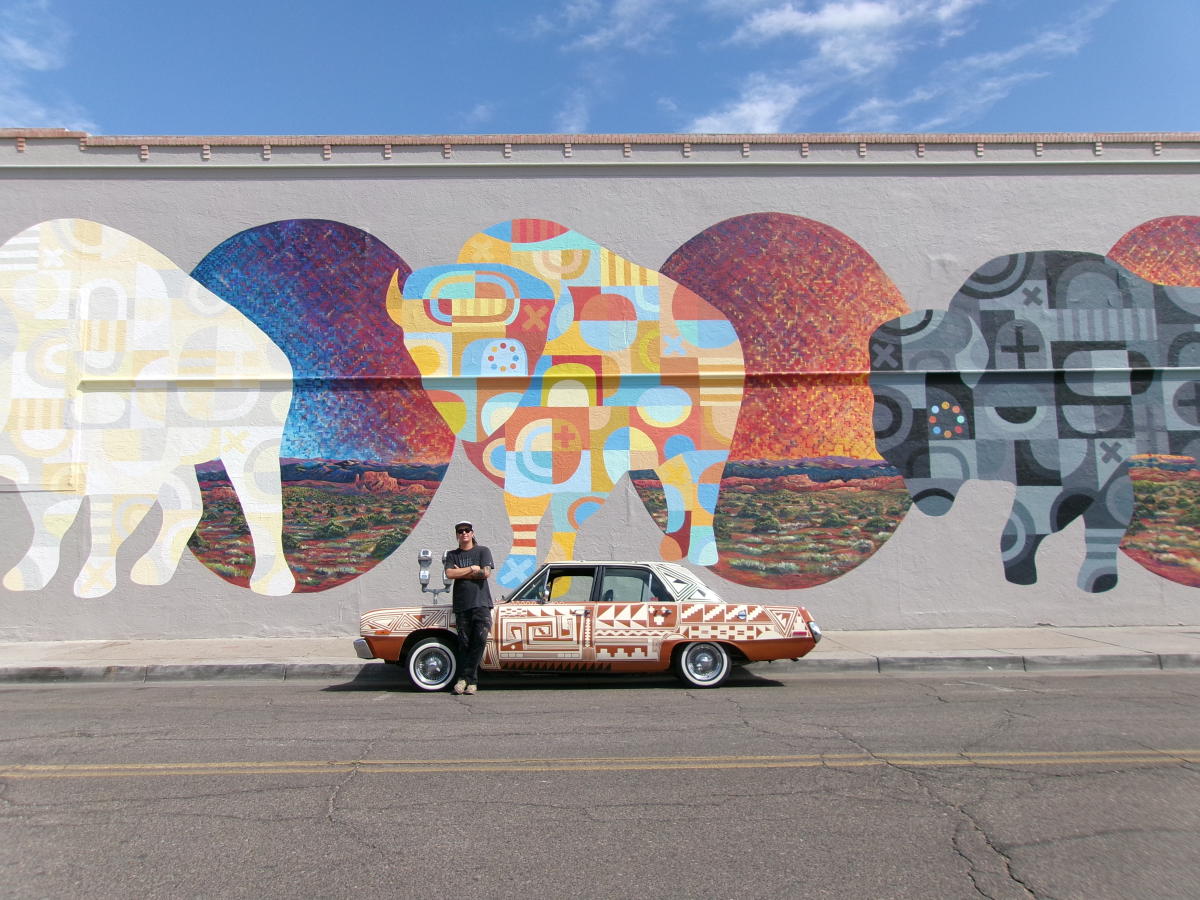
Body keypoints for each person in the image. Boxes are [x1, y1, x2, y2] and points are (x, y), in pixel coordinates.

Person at [443, 520, 493, 695]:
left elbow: (486, 573)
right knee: (464, 644)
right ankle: (471, 682)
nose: (464, 533)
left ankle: (465, 678)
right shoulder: (452, 555)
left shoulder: (483, 551)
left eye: (467, 530)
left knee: (479, 641)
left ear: (472, 533)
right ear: (457, 535)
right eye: (460, 531)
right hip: (462, 605)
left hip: (481, 604)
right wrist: (472, 569)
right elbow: (449, 573)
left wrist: (462, 572)